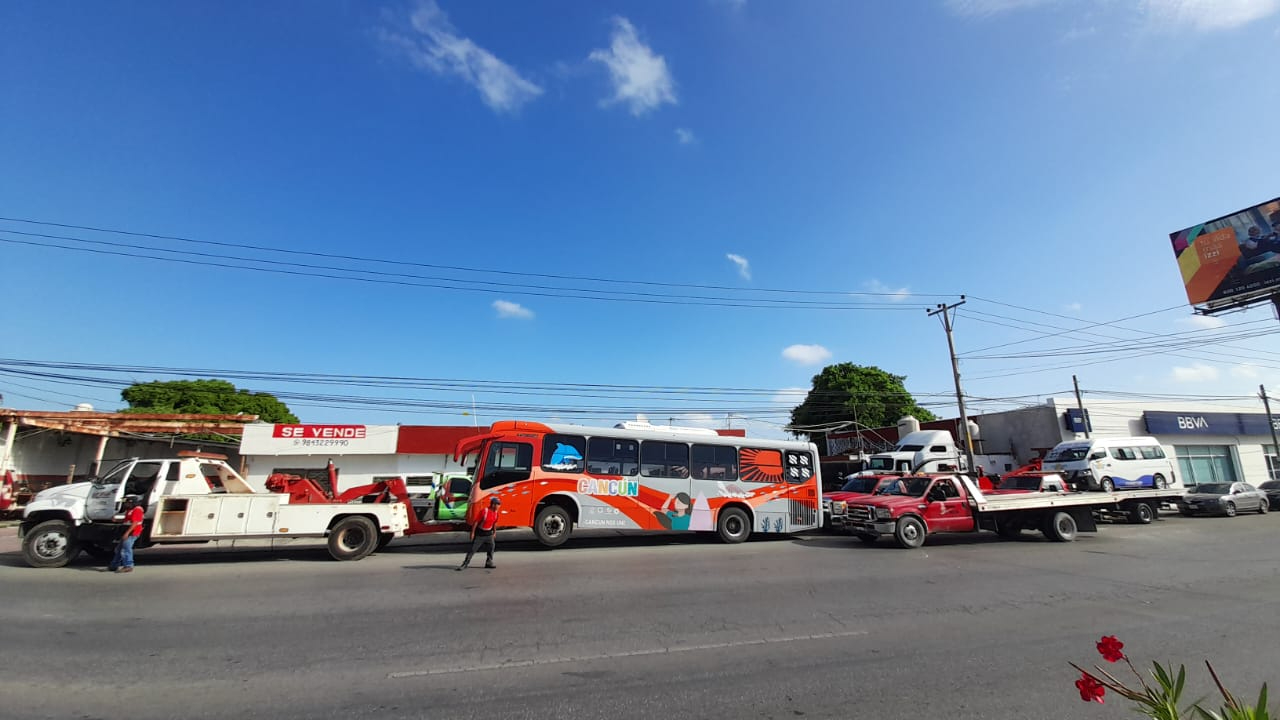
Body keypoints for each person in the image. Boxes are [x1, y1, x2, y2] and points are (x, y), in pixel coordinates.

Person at [457, 496, 500, 570]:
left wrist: (494, 532)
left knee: (491, 547)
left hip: (489, 534)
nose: (499, 506)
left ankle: (489, 562)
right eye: (498, 504)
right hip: (480, 534)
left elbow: (494, 523)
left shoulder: (496, 513)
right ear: (493, 505)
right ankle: (465, 564)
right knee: (473, 549)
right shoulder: (484, 511)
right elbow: (476, 522)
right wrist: (472, 533)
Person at [108, 496, 144, 573]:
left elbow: (135, 523)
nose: (125, 504)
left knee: (125, 549)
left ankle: (128, 565)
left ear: (132, 503)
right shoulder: (130, 510)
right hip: (128, 532)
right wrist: (117, 520)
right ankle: (114, 565)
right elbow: (127, 520)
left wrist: (127, 533)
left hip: (132, 533)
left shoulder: (137, 510)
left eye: (127, 503)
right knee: (119, 549)